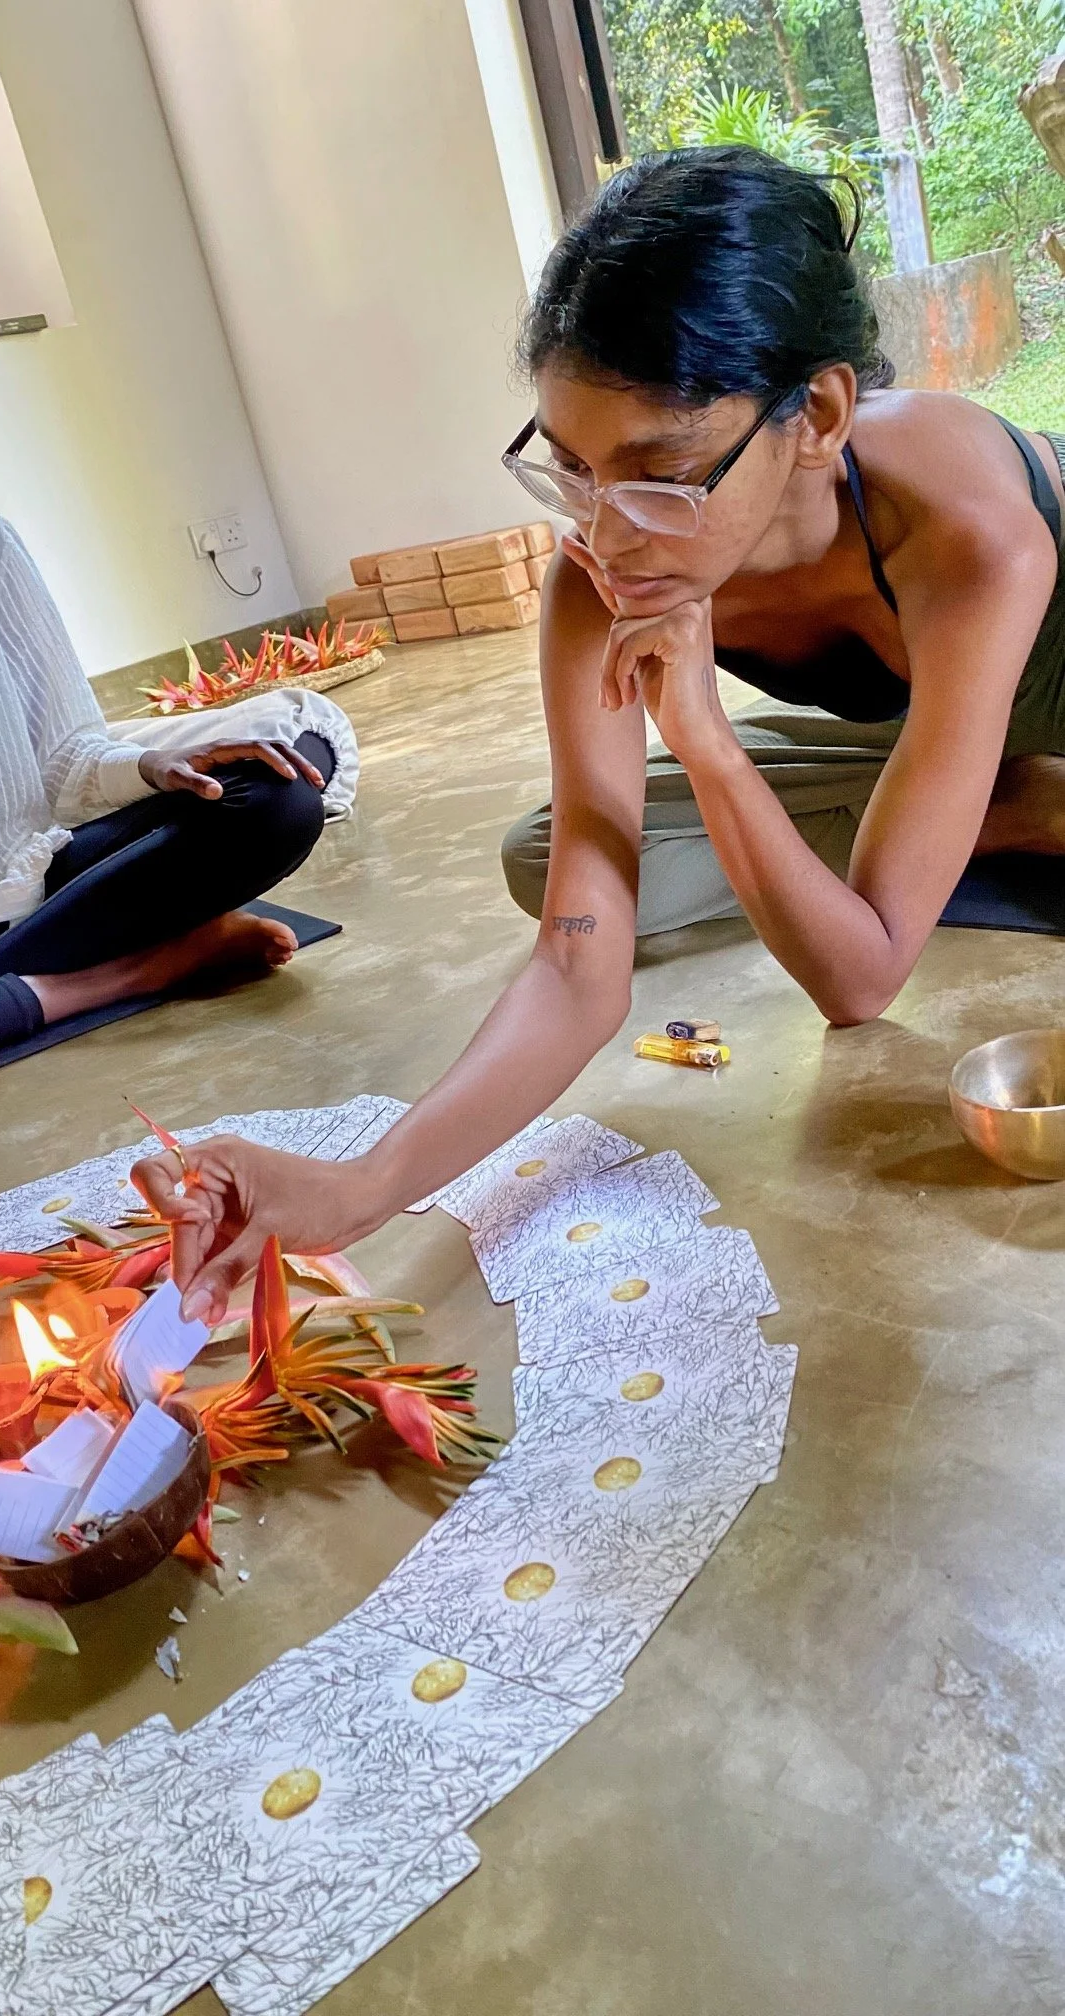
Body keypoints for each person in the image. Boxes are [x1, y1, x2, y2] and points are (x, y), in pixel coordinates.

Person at [134, 145, 1065, 1314]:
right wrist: (361, 1187)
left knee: (805, 888)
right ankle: (993, 809)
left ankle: (1003, 801)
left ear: (819, 415)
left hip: (1038, 675)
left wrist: (708, 740)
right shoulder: (599, 572)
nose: (608, 535)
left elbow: (859, 984)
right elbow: (580, 965)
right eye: (572, 469)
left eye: (660, 473)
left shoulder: (966, 528)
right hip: (926, 720)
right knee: (556, 863)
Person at [0, 465, 343, 1071]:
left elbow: (65, 752)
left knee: (279, 793)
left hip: (22, 891)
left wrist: (155, 765)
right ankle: (132, 971)